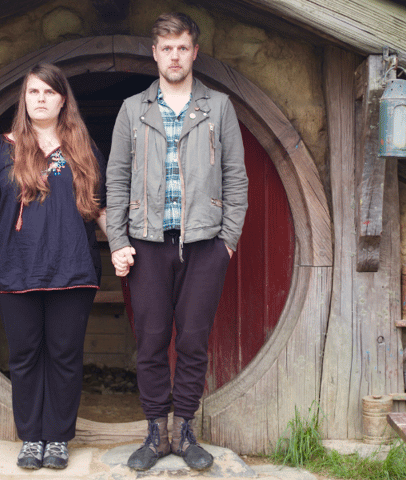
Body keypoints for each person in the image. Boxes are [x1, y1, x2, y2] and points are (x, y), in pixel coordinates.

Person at [105, 12, 248, 471]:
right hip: (146, 243)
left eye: (182, 47)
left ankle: (184, 431)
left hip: (205, 244)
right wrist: (116, 240)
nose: (174, 56)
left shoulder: (219, 107)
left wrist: (228, 241)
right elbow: (116, 180)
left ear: (194, 52)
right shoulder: (133, 109)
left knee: (192, 340)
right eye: (166, 48)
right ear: (154, 53)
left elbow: (236, 178)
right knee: (149, 341)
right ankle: (154, 432)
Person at [0, 62, 107, 470]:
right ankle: (31, 438)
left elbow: (101, 206)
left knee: (64, 355)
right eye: (33, 92)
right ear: (24, 99)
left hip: (72, 269)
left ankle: (58, 438)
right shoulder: (0, 149)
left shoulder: (83, 148)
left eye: (48, 92)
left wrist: (119, 245)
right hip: (14, 268)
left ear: (63, 99)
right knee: (25, 356)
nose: (40, 99)